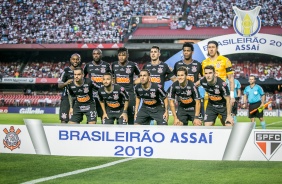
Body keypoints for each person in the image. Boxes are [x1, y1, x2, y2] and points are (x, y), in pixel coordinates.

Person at [201, 40, 235, 124]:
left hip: (223, 96)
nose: (211, 49)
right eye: (209, 47)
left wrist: (232, 95)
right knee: (208, 123)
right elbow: (204, 78)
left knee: (226, 122)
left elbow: (231, 79)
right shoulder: (204, 62)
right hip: (209, 97)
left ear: (217, 48)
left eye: (213, 47)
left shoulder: (225, 60)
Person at [143, 45, 176, 125]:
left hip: (160, 99)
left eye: (155, 52)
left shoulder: (164, 66)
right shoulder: (146, 66)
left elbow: (174, 79)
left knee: (162, 125)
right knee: (145, 127)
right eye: (151, 52)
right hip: (147, 99)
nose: (153, 54)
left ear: (159, 54)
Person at [111, 47, 140, 125]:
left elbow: (141, 77)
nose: (121, 57)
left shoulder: (133, 65)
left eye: (123, 55)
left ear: (127, 55)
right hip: (118, 95)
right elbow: (111, 78)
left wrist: (133, 83)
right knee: (119, 116)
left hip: (130, 94)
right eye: (119, 55)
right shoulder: (114, 65)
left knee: (131, 116)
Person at [84, 49, 111, 123]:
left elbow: (112, 79)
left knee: (104, 116)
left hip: (103, 94)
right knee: (91, 117)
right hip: (91, 95)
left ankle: (104, 131)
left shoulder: (106, 65)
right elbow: (82, 78)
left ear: (101, 55)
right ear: (92, 55)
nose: (96, 55)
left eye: (98, 53)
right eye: (94, 54)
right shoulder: (88, 65)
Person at [58, 53, 81, 123]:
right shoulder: (66, 71)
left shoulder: (81, 71)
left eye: (77, 59)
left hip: (78, 98)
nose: (75, 61)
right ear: (70, 60)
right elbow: (59, 85)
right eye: (74, 59)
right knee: (64, 120)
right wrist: (66, 83)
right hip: (66, 98)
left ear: (79, 60)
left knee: (75, 120)